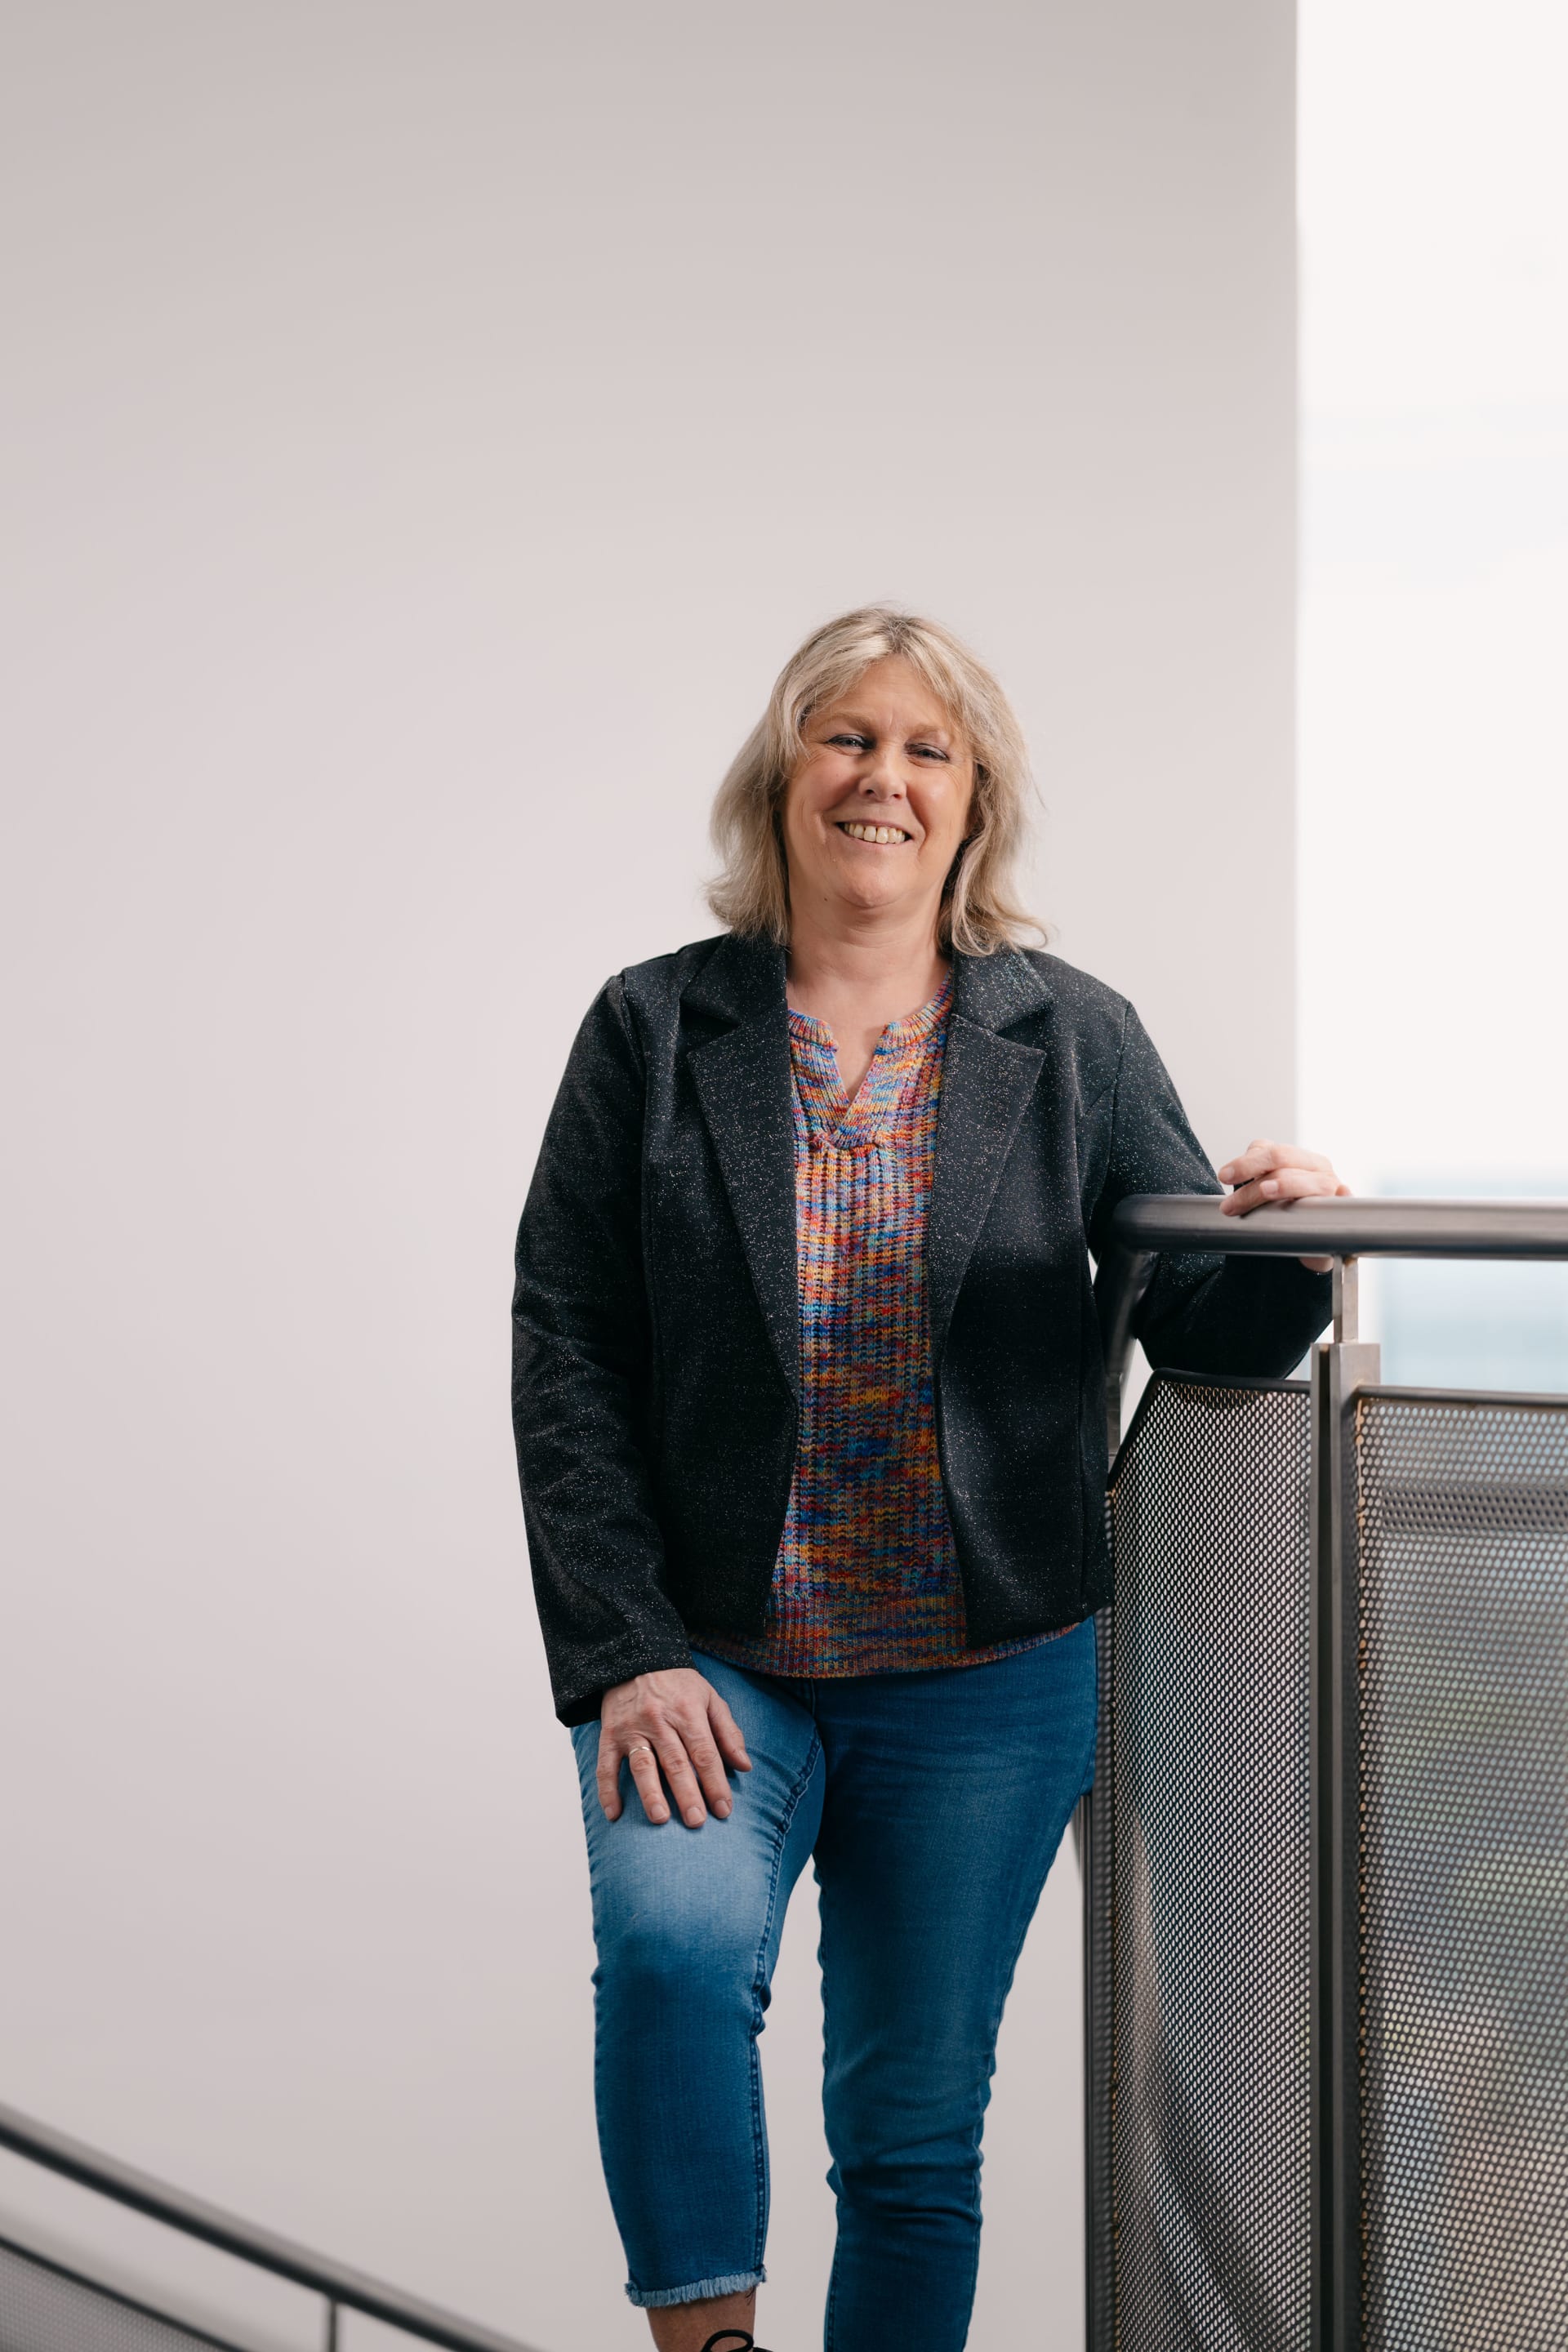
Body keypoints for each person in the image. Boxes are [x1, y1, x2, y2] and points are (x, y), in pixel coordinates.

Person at [510, 608, 1343, 2352]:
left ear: (973, 806)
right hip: (709, 1655)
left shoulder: (1073, 1038)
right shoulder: (653, 1028)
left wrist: (1294, 1247)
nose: (880, 777)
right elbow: (567, 1341)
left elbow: (1212, 1331)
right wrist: (624, 1648)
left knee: (909, 2137)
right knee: (670, 1956)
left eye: (924, 749)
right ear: (782, 777)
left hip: (987, 1677)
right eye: (846, 737)